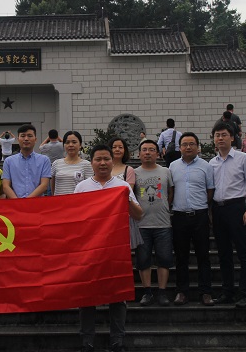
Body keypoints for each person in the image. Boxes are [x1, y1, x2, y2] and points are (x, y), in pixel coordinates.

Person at [74, 144, 143, 352]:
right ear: (91, 162)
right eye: (98, 159)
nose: (102, 163)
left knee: (118, 294)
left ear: (113, 161)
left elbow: (138, 215)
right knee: (87, 295)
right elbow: (74, 218)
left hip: (116, 250)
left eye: (106, 159)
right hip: (89, 250)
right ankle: (87, 340)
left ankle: (117, 339)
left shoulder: (122, 186)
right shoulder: (82, 187)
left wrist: (125, 200)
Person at [210, 122, 246, 309]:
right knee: (223, 254)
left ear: (232, 137)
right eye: (217, 135)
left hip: (237, 208)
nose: (220, 138)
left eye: (224, 135)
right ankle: (227, 291)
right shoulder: (212, 163)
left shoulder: (242, 158)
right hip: (218, 209)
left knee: (243, 252)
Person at [170, 132, 215, 306]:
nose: (188, 147)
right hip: (179, 217)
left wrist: (202, 207)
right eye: (184, 144)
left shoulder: (206, 166)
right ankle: (182, 292)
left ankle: (206, 292)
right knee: (181, 257)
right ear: (180, 147)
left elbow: (210, 190)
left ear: (198, 147)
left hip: (200, 216)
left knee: (203, 255)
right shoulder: (173, 166)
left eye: (191, 144)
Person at [134, 139, 174, 307]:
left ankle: (162, 292)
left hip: (163, 223)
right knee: (143, 260)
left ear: (158, 153)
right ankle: (147, 292)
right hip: (141, 224)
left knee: (164, 258)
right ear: (139, 154)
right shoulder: (134, 173)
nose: (148, 153)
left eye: (151, 150)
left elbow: (170, 192)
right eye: (144, 150)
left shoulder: (165, 171)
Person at [2, 124, 51, 198]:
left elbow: (44, 185)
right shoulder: (8, 161)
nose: (26, 139)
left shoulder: (44, 160)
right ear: (18, 139)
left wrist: (26, 201)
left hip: (37, 203)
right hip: (16, 203)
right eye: (23, 136)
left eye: (30, 136)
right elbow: (5, 186)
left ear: (35, 139)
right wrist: (19, 202)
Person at [50, 130, 93, 196]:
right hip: (59, 201)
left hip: (78, 201)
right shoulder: (56, 163)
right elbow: (53, 186)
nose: (70, 145)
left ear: (80, 145)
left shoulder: (87, 165)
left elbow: (89, 187)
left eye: (74, 142)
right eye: (67, 142)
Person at [39, 129, 64, 195]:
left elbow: (40, 147)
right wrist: (59, 138)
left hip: (50, 166)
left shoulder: (47, 146)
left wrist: (47, 138)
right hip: (60, 165)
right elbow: (65, 143)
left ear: (49, 136)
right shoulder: (61, 145)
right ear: (57, 136)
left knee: (50, 185)